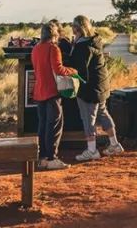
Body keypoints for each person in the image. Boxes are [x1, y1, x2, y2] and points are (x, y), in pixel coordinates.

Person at [66, 15, 124, 161]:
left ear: (77, 28)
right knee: (103, 114)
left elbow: (80, 69)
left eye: (73, 26)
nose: (72, 28)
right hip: (102, 86)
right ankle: (115, 144)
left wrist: (67, 57)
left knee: (88, 119)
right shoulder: (95, 41)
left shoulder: (82, 46)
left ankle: (92, 150)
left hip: (89, 89)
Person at [31, 20, 77, 170]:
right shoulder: (53, 48)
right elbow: (58, 70)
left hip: (39, 92)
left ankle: (43, 157)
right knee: (55, 125)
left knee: (43, 125)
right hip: (52, 92)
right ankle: (52, 157)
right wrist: (73, 71)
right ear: (54, 34)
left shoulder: (36, 49)